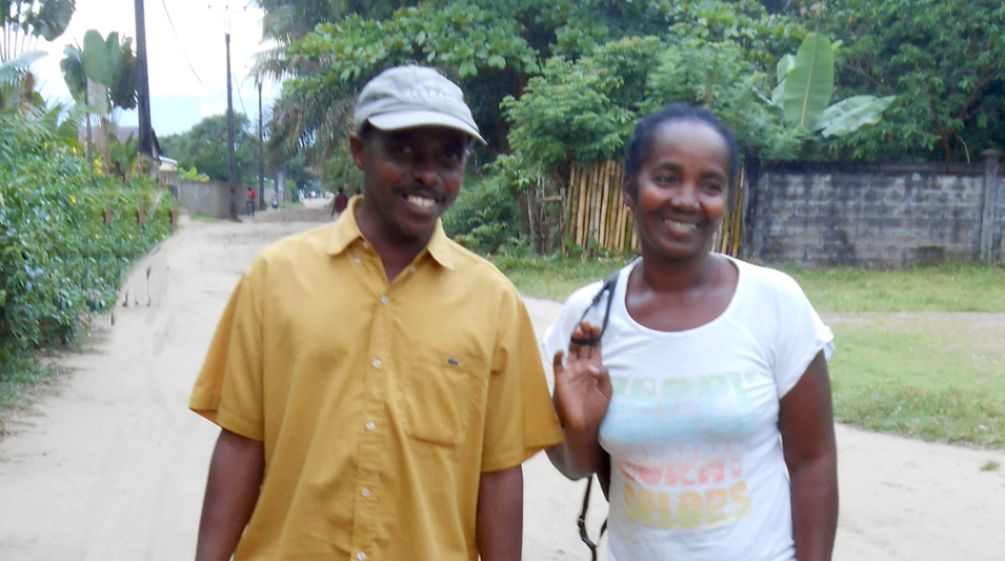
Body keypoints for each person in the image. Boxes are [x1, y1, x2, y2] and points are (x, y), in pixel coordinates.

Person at [189, 65, 563, 561]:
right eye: (405, 150)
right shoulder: (276, 279)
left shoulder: (493, 303)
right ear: (359, 151)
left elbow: (497, 475)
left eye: (449, 157)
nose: (428, 174)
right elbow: (240, 444)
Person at [545, 104, 838, 561]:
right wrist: (580, 426)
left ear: (727, 199)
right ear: (629, 190)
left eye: (710, 185)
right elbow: (574, 466)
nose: (687, 200)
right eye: (666, 178)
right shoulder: (589, 319)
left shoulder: (774, 302)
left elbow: (813, 461)